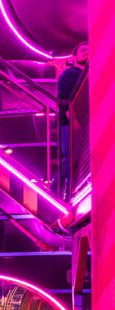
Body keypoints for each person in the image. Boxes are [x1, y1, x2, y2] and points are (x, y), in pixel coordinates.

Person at [57, 43, 88, 199]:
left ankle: (64, 193)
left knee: (73, 160)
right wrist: (73, 119)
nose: (87, 52)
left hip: (78, 123)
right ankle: (61, 194)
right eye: (83, 50)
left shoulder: (84, 75)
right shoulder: (71, 74)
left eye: (90, 50)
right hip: (70, 123)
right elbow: (65, 101)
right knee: (70, 160)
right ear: (73, 57)